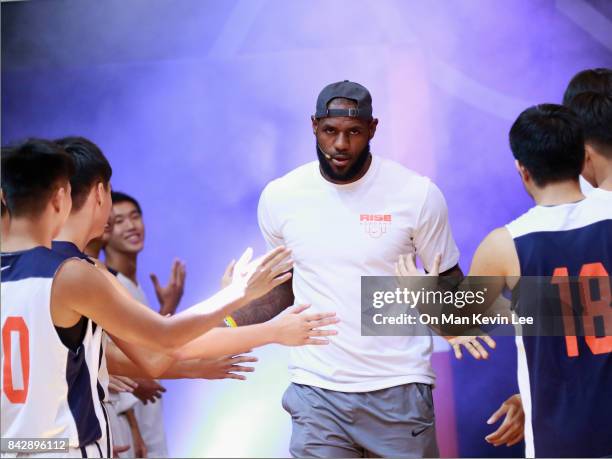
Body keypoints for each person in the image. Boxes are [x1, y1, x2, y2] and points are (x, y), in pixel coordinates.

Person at [0, 138, 296, 457]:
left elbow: (104, 356)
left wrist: (192, 366)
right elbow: (162, 342)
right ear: (68, 197)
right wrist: (240, 297)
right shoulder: (73, 272)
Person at [235, 80, 464, 458]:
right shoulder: (281, 196)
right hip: (316, 391)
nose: (341, 144)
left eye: (353, 132)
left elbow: (459, 305)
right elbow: (284, 287)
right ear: (314, 126)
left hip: (399, 388)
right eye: (330, 131)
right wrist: (229, 321)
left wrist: (431, 299)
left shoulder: (416, 194)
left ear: (373, 129)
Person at [400, 104, 611, 457]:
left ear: (522, 170)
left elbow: (460, 322)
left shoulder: (505, 244)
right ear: (582, 158)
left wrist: (417, 293)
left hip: (561, 442)